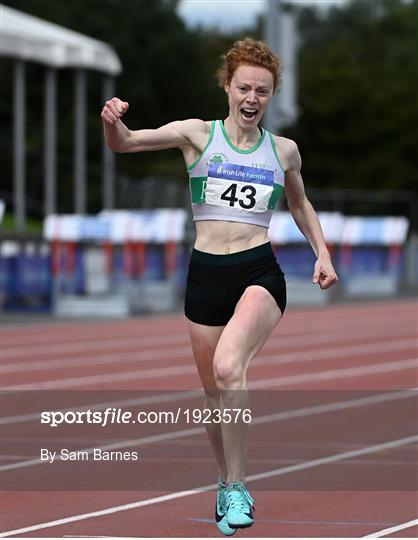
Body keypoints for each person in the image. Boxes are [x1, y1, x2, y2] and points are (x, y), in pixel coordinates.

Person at [101, 37, 338, 536]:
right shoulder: (197, 135)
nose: (252, 99)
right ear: (227, 88)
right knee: (215, 395)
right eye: (244, 88)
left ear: (272, 96)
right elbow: (126, 143)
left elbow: (298, 204)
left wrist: (322, 251)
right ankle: (226, 480)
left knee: (231, 368)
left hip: (258, 271)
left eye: (263, 91)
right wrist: (112, 121)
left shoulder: (284, 150)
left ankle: (236, 485)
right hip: (205, 276)